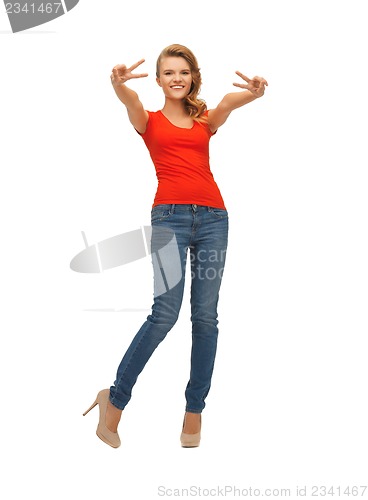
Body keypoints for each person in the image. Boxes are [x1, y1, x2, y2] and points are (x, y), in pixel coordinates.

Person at [83, 44, 267, 448]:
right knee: (164, 314)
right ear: (159, 79)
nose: (176, 79)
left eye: (183, 72)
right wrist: (116, 82)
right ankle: (113, 400)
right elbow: (127, 98)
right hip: (169, 221)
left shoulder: (204, 121)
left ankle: (193, 411)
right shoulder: (146, 120)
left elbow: (227, 104)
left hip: (215, 220)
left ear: (192, 76)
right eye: (169, 73)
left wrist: (254, 92)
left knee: (205, 318)